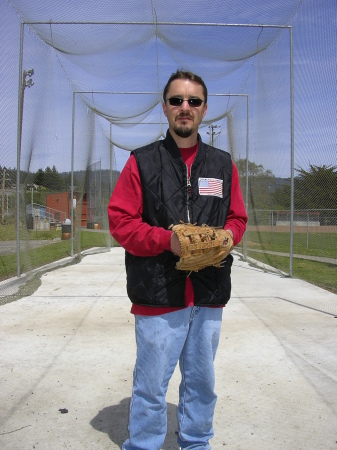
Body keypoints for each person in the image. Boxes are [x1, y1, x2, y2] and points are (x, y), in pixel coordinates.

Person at [108, 69, 247, 450]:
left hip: (208, 293)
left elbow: (237, 217)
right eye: (176, 100)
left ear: (204, 110)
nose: (185, 108)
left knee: (202, 382)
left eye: (193, 101)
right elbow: (121, 222)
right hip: (157, 294)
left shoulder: (222, 164)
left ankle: (197, 442)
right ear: (165, 107)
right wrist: (167, 240)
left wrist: (227, 237)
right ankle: (144, 445)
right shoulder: (142, 162)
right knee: (151, 385)